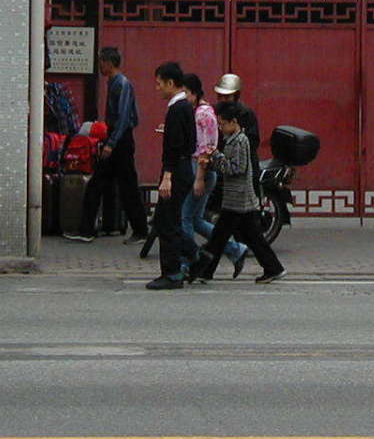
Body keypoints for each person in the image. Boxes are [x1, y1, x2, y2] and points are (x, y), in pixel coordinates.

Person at [193, 101, 286, 284]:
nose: (220, 128)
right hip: (237, 198)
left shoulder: (240, 142)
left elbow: (236, 168)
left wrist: (216, 156)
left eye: (222, 124)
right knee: (237, 237)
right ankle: (273, 268)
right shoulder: (234, 140)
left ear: (233, 122)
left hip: (238, 198)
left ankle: (204, 270)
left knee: (221, 237)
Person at [67, 47, 151, 244]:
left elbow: (124, 117)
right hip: (116, 138)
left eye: (102, 62)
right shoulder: (115, 83)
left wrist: (111, 143)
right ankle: (93, 229)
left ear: (109, 63)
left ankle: (137, 230)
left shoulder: (122, 84)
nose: (100, 66)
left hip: (119, 141)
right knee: (107, 184)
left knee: (123, 186)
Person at [183, 73, 248, 277]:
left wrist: (199, 177)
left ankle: (191, 261)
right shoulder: (199, 112)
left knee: (185, 218)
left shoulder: (205, 114)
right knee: (196, 219)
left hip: (203, 170)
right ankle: (235, 250)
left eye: (185, 93)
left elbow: (206, 149)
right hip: (204, 169)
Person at [146, 61, 197, 290]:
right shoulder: (185, 106)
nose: (157, 88)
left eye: (159, 84)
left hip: (175, 171)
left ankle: (172, 272)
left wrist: (167, 176)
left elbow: (174, 146)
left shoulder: (177, 109)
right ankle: (196, 255)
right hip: (183, 168)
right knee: (166, 219)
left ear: (170, 83)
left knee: (167, 222)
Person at [213, 73, 261, 194]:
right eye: (221, 96)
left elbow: (253, 142)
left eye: (227, 97)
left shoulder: (246, 114)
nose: (223, 100)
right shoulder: (213, 112)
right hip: (220, 167)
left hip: (242, 171)